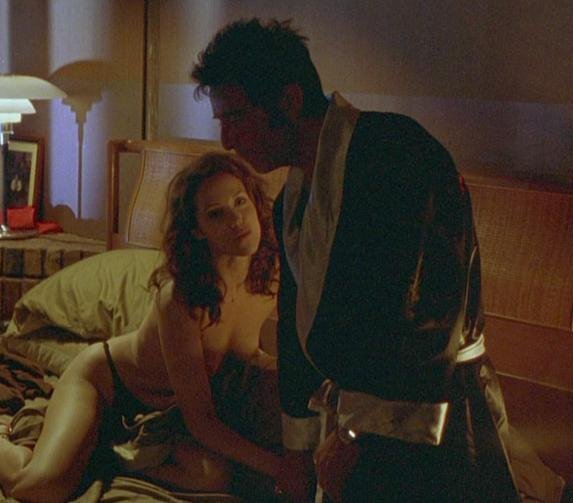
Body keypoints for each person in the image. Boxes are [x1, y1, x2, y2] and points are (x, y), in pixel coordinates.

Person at [191, 18, 531, 502]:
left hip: (433, 414)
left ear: (289, 101)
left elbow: (428, 312)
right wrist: (297, 449)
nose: (227, 139)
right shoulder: (293, 199)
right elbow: (297, 330)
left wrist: (357, 435)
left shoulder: (397, 154)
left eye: (237, 117)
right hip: (354, 422)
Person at [0, 152, 304, 502]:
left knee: (213, 475)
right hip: (108, 387)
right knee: (39, 487)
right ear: (197, 230)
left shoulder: (272, 275)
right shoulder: (180, 299)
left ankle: (107, 456)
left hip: (168, 417)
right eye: (216, 213)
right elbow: (202, 421)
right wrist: (279, 467)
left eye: (240, 201)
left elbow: (251, 354)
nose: (237, 219)